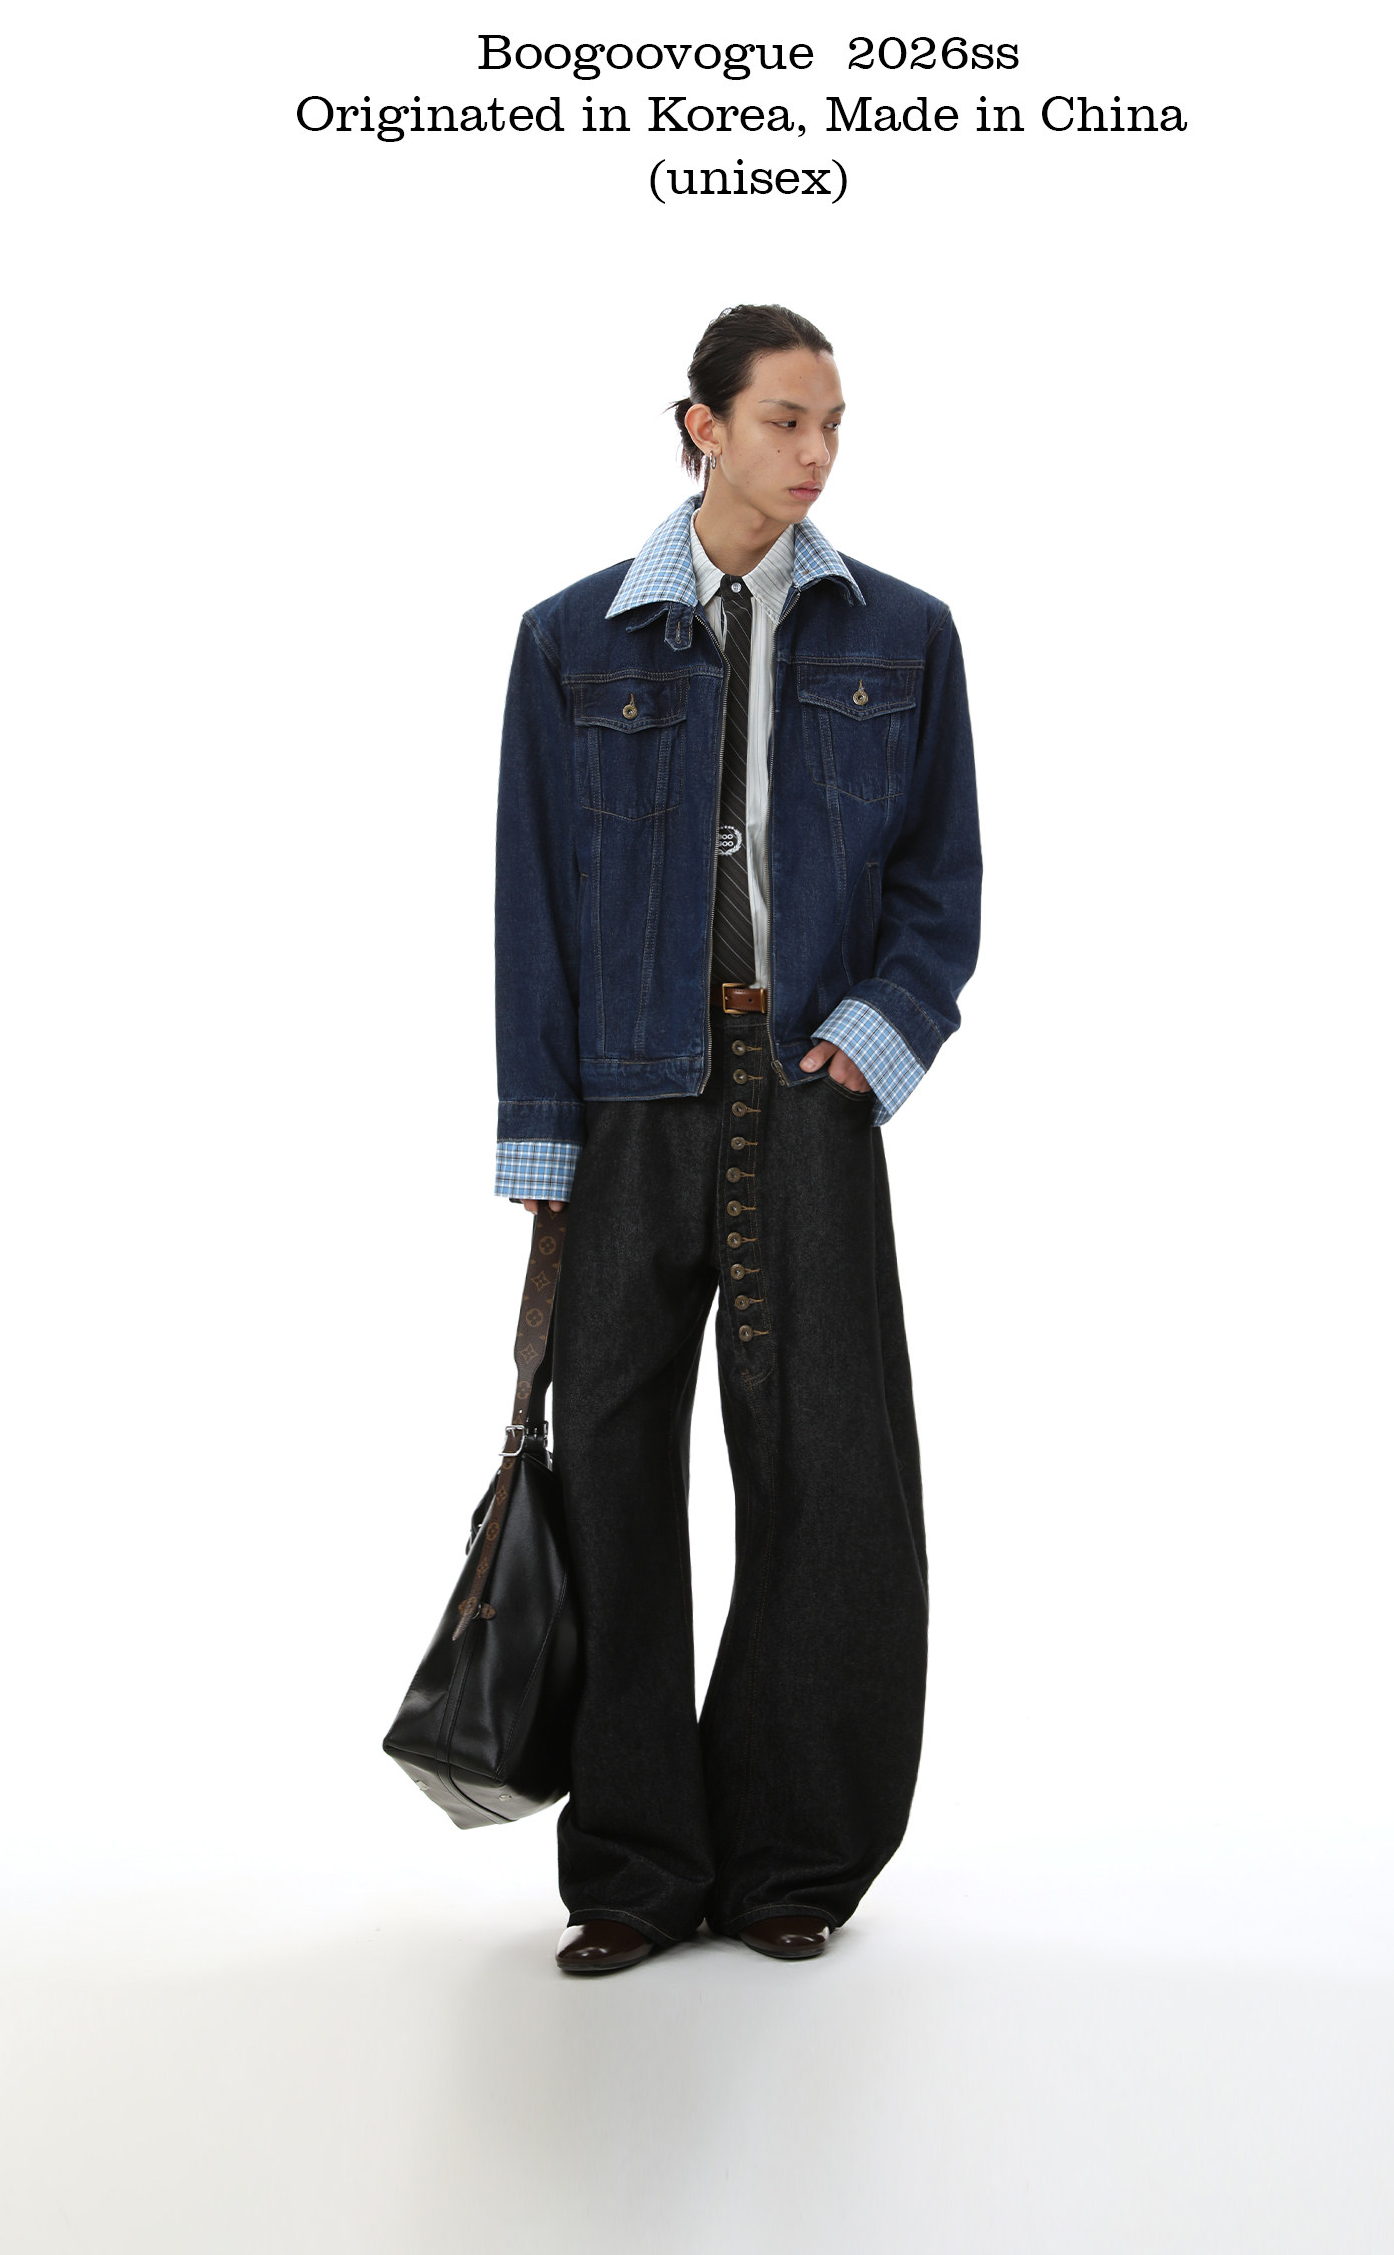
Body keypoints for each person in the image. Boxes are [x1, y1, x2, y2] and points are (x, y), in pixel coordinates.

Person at [493, 302, 981, 1971]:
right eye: (786, 420)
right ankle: (635, 1872)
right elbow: (532, 906)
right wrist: (543, 1144)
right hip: (630, 1096)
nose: (816, 452)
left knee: (828, 1479)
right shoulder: (570, 642)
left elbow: (942, 885)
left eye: (834, 423)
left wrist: (870, 1043)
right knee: (614, 1476)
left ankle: (792, 1858)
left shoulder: (904, 636)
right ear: (700, 426)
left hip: (811, 1091)